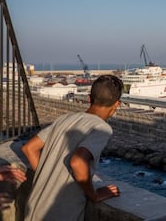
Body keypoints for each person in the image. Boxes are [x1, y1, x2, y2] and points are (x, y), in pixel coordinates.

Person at [21, 75, 123, 221]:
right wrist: (94, 195)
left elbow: (29, 148)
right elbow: (77, 162)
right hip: (59, 214)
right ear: (117, 104)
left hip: (34, 208)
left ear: (89, 98)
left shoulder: (65, 119)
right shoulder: (102, 128)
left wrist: (49, 177)